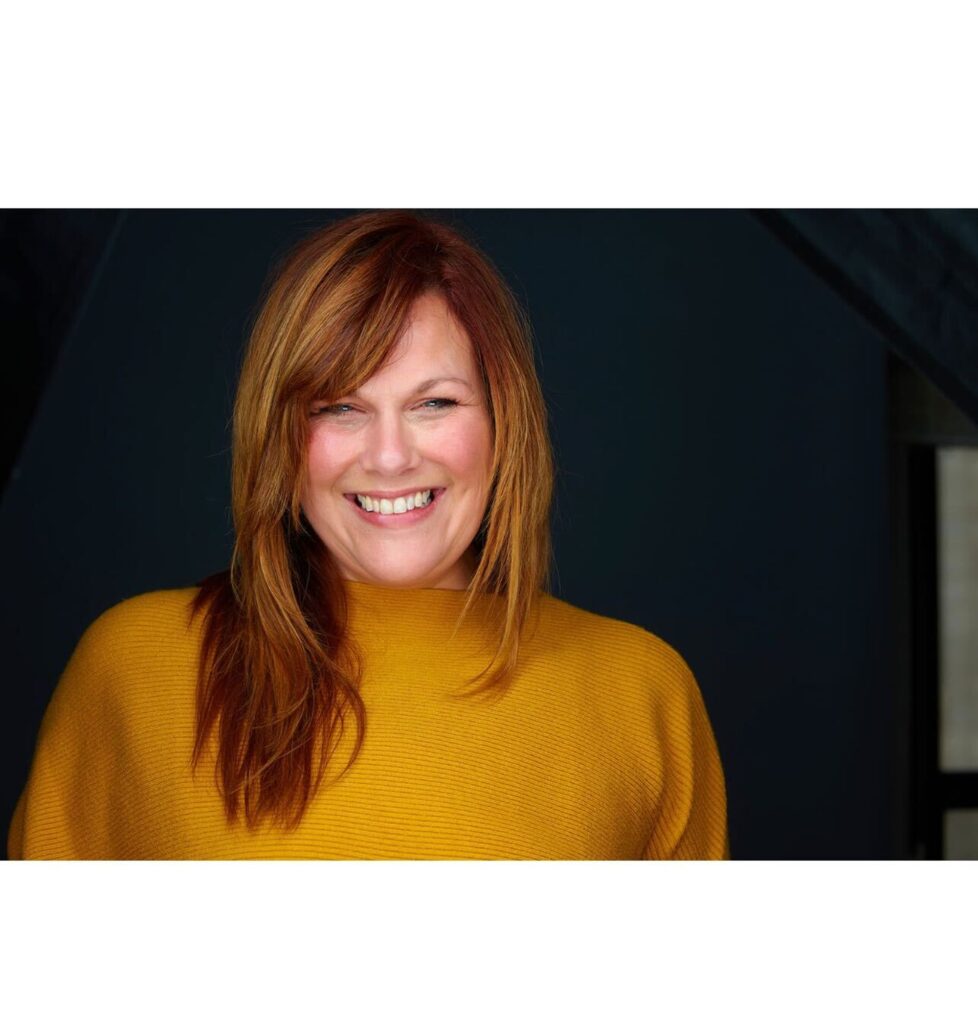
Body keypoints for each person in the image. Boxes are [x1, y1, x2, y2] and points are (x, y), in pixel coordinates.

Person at [7, 211, 729, 859]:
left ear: (504, 424)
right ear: (282, 437)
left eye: (434, 403)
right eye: (341, 407)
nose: (389, 456)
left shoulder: (641, 696)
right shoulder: (132, 671)